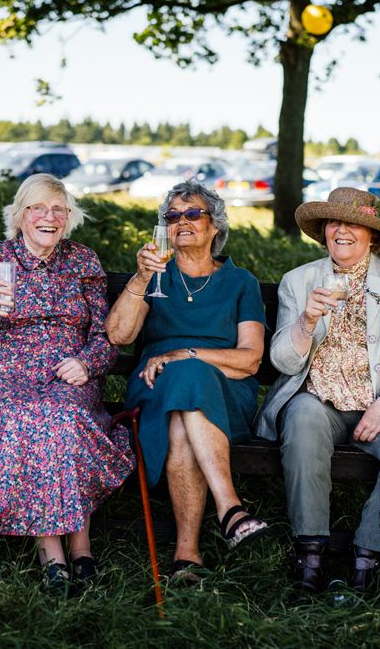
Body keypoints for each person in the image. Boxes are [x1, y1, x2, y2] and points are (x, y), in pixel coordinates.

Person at [0, 173, 134, 591]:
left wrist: (88, 362)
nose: (49, 217)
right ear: (20, 214)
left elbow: (106, 335)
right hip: (5, 376)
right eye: (38, 208)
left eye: (59, 209)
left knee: (62, 416)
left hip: (68, 374)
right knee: (30, 417)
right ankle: (56, 553)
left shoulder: (82, 260)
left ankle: (79, 547)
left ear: (69, 217)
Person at [254, 187, 380, 594]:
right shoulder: (299, 281)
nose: (341, 231)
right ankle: (310, 553)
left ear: (373, 235)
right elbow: (284, 363)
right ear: (323, 232)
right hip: (319, 401)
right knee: (302, 419)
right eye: (333, 222)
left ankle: (367, 554)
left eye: (353, 223)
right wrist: (305, 322)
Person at [104, 180, 270, 583]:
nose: (182, 221)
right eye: (172, 216)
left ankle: (186, 553)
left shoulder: (241, 283)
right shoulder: (156, 276)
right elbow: (118, 335)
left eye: (193, 213)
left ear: (215, 226)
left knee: (187, 391)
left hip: (225, 391)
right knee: (183, 386)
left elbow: (250, 359)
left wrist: (188, 354)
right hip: (154, 385)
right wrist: (140, 278)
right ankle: (229, 509)